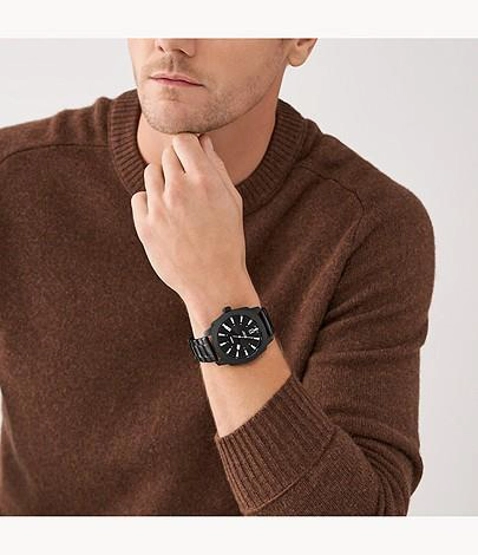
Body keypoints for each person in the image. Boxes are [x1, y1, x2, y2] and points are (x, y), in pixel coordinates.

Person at [0, 38, 435, 516]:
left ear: (299, 37)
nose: (172, 39)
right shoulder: (14, 179)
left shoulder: (369, 225)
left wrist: (218, 291)